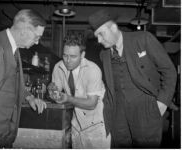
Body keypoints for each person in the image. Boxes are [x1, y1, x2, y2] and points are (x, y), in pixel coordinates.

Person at [88, 9, 177, 148]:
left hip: (145, 109)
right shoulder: (103, 55)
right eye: (96, 36)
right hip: (118, 114)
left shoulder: (143, 39)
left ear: (113, 28)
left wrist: (162, 103)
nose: (99, 40)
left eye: (101, 34)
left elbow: (169, 71)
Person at [0, 9, 47, 148]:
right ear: (24, 30)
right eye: (37, 37)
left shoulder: (15, 50)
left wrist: (30, 97)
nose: (37, 42)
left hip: (3, 136)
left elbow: (11, 83)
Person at [48, 35, 111, 148]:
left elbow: (92, 104)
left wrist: (67, 98)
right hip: (76, 125)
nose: (67, 60)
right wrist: (52, 91)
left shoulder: (93, 70)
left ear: (82, 55)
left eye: (73, 56)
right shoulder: (58, 67)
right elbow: (55, 91)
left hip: (96, 126)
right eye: (65, 55)